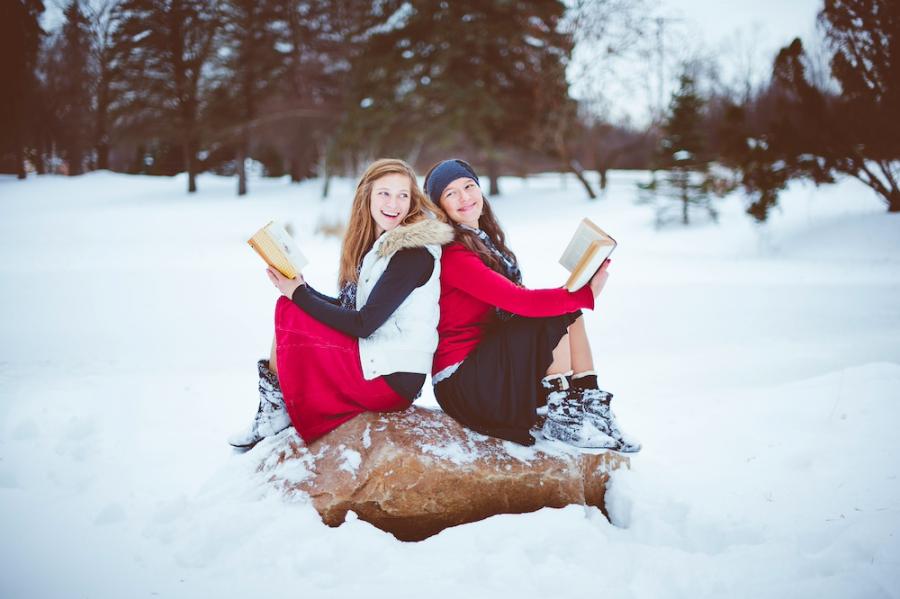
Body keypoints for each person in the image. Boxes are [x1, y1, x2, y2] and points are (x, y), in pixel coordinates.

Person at [229, 158, 453, 448]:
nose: (394, 203)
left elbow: (364, 323)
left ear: (412, 202)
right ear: (367, 196)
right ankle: (275, 408)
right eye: (384, 193)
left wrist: (299, 294)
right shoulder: (385, 246)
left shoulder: (411, 253)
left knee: (291, 310)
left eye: (403, 195)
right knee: (292, 307)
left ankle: (275, 410)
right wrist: (300, 288)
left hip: (391, 377)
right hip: (382, 361)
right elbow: (355, 313)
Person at [422, 158, 640, 452]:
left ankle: (592, 405)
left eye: (468, 186)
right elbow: (518, 301)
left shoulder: (484, 242)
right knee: (552, 313)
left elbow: (519, 300)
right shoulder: (453, 254)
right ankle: (562, 415)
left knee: (565, 311)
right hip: (462, 381)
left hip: (488, 364)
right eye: (450, 193)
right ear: (440, 207)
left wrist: (575, 292)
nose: (464, 197)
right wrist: (583, 294)